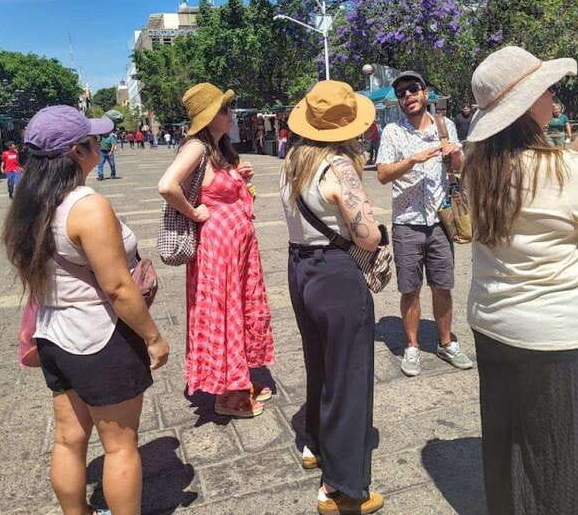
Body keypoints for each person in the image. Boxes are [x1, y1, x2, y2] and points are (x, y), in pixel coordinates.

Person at [463, 46, 578, 515]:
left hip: (497, 326)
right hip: (566, 340)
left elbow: (551, 176)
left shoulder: (480, 165)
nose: (555, 98)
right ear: (529, 104)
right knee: (567, 468)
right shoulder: (557, 170)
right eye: (548, 90)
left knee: (512, 457)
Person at [3, 106, 170, 515]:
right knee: (120, 447)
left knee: (68, 439)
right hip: (100, 337)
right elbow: (116, 287)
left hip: (53, 334)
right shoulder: (87, 206)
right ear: (78, 151)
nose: (101, 143)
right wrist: (153, 336)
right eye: (94, 139)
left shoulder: (32, 203)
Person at [280, 80, 384, 515]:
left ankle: (315, 444)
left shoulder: (293, 162)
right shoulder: (338, 167)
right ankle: (340, 487)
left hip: (300, 268)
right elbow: (368, 234)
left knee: (319, 362)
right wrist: (371, 226)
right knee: (349, 376)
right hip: (337, 276)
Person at [158, 82, 274, 418]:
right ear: (211, 117)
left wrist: (237, 175)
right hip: (218, 248)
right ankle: (227, 396)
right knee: (225, 313)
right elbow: (167, 185)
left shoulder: (218, 148)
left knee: (236, 311)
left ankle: (236, 380)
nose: (231, 114)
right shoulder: (196, 146)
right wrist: (193, 213)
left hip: (235, 246)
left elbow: (214, 185)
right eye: (225, 109)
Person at [376, 71, 472, 377]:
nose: (408, 96)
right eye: (402, 93)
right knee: (410, 288)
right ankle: (413, 346)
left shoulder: (446, 126)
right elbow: (382, 174)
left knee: (443, 285)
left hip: (441, 218)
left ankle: (446, 342)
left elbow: (459, 168)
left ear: (425, 93)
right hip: (407, 221)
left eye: (413, 90)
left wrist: (455, 154)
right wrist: (412, 160)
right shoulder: (392, 131)